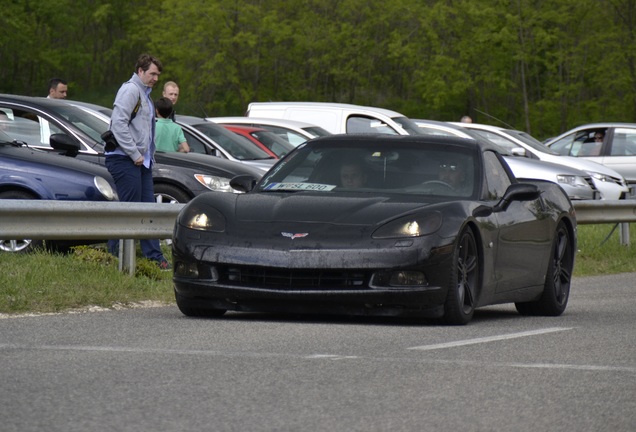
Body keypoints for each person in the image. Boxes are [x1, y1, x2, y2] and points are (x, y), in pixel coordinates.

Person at [105, 54, 170, 270]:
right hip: (125, 159)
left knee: (147, 210)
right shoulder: (131, 90)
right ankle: (114, 256)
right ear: (140, 71)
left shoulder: (145, 94)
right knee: (129, 209)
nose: (155, 78)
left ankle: (154, 257)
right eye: (152, 73)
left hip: (141, 162)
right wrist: (134, 154)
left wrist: (146, 157)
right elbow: (118, 125)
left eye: (157, 75)